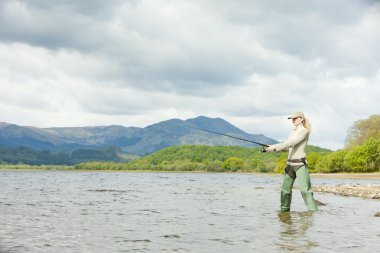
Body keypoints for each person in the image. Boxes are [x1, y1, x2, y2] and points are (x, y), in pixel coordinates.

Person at [266, 111, 318, 212]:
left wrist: (275, 147)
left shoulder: (304, 131)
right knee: (285, 191)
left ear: (301, 118)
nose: (293, 120)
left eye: (295, 118)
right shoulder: (292, 132)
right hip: (289, 165)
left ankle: (313, 213)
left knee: (305, 191)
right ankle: (284, 214)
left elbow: (292, 143)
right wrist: (271, 148)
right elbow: (287, 147)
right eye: (292, 119)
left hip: (300, 165)